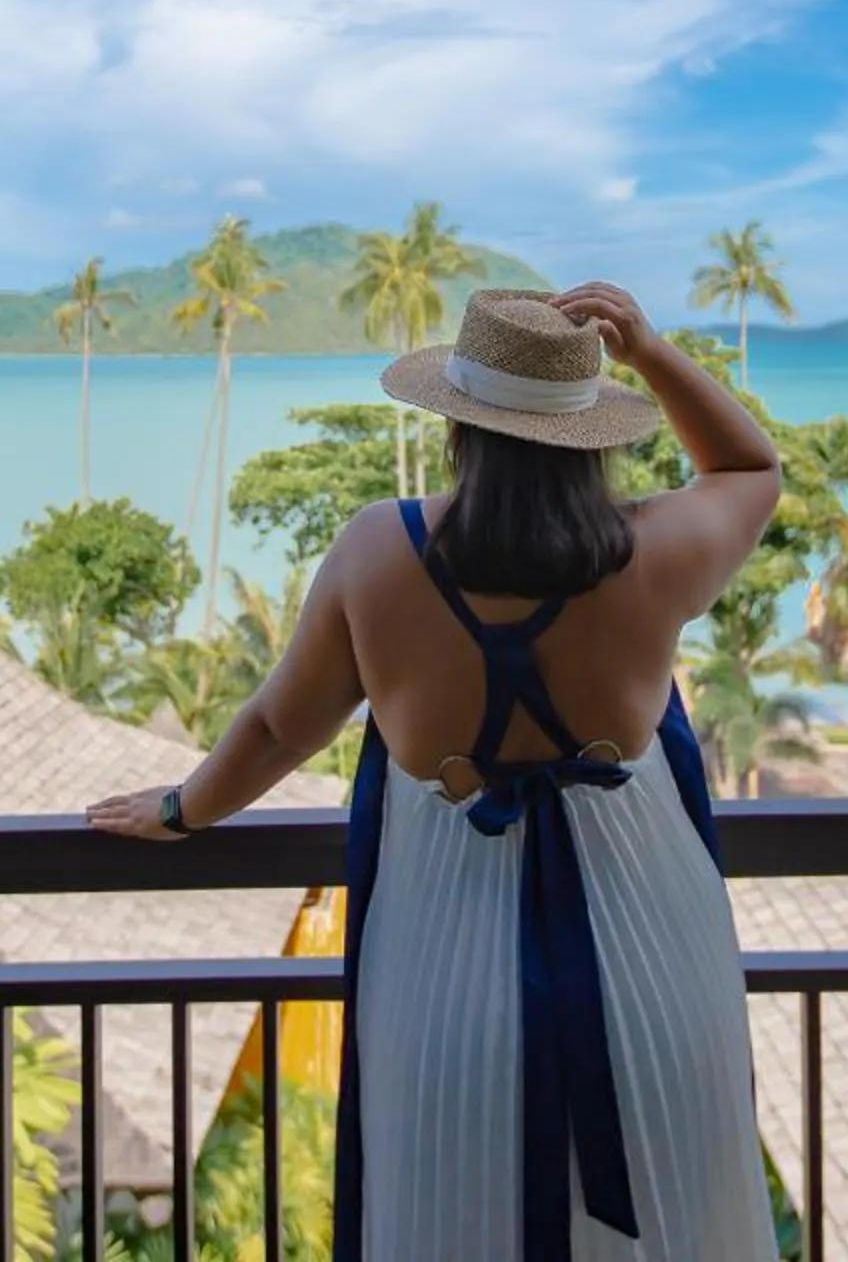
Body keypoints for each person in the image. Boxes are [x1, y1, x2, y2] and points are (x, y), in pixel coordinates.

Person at [88, 282, 783, 1259]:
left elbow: (280, 725)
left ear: (460, 426)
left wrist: (181, 805)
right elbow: (751, 463)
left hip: (442, 972)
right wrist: (653, 352)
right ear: (593, 435)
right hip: (652, 969)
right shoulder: (658, 551)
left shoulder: (382, 550)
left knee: (451, 1214)